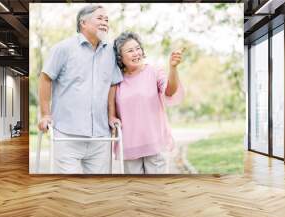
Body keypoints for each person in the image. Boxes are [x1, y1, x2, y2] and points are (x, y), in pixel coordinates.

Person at [38, 5, 123, 174]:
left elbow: (113, 84)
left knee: (98, 191)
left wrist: (111, 115)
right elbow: (45, 78)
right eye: (100, 18)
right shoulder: (63, 48)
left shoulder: (110, 53)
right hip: (67, 135)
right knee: (69, 190)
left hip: (101, 136)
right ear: (83, 22)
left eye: (107, 20)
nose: (105, 23)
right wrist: (46, 114)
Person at [109, 31, 184, 174]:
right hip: (129, 146)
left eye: (138, 48)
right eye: (130, 51)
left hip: (155, 144)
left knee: (155, 191)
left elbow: (170, 91)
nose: (136, 53)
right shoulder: (117, 80)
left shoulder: (154, 72)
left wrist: (173, 68)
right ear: (120, 57)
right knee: (136, 192)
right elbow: (111, 107)